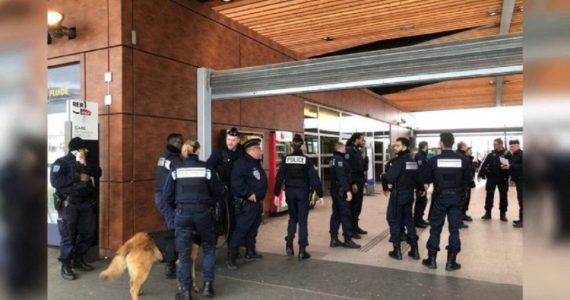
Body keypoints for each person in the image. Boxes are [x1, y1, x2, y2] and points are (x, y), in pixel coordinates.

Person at [162, 140, 224, 299]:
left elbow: (166, 196)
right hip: (203, 213)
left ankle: (186, 292)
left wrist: (177, 209)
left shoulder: (176, 169)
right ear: (197, 151)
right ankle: (208, 286)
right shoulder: (206, 168)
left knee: (184, 254)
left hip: (182, 214)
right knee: (209, 248)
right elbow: (218, 191)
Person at [50, 137, 102, 280]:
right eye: (84, 148)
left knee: (88, 234)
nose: (87, 150)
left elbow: (99, 172)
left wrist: (85, 165)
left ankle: (77, 259)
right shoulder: (61, 163)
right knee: (67, 237)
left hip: (85, 204)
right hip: (69, 205)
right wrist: (78, 177)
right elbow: (55, 182)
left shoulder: (86, 163)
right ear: (77, 150)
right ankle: (65, 265)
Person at [422, 133, 472, 271]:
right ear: (453, 143)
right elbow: (469, 180)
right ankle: (451, 262)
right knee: (454, 229)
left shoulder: (434, 160)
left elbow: (426, 178)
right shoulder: (463, 160)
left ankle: (431, 260)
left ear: (441, 144)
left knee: (435, 228)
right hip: (456, 198)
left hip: (440, 197)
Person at [273, 134, 324, 260]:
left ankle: (289, 244)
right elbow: (314, 179)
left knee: (292, 218)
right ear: (302, 145)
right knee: (302, 220)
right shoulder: (306, 160)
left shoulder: (286, 159)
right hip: (302, 192)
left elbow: (279, 177)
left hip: (290, 192)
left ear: (292, 146)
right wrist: (320, 194)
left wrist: (276, 194)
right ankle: (302, 250)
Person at [226, 139, 268, 270]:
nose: (260, 151)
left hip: (256, 203)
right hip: (246, 203)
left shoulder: (255, 163)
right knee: (241, 230)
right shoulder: (242, 163)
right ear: (252, 150)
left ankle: (250, 251)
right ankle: (231, 257)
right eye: (258, 149)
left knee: (253, 228)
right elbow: (236, 182)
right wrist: (248, 193)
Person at [382, 137, 421, 260]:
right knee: (409, 221)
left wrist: (384, 176)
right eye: (394, 145)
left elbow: (389, 178)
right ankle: (414, 250)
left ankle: (397, 250)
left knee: (394, 220)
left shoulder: (398, 161)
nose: (395, 147)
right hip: (410, 194)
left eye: (397, 145)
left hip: (398, 195)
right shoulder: (412, 161)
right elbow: (418, 178)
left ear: (405, 147)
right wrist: (421, 189)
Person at [206, 128, 244, 247]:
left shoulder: (241, 153)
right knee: (218, 218)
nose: (230, 142)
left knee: (236, 218)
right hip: (222, 191)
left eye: (233, 140)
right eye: (228, 139)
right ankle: (213, 244)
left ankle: (234, 245)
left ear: (238, 140)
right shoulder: (219, 152)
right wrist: (218, 186)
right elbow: (209, 168)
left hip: (237, 190)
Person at [154, 132, 183, 278]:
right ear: (170, 142)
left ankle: (166, 256)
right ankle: (170, 266)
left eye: (181, 142)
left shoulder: (164, 157)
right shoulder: (173, 160)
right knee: (172, 230)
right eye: (177, 142)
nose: (180, 144)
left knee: (168, 227)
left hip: (161, 196)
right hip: (167, 198)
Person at [329, 142, 361, 249]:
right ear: (341, 149)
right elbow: (341, 176)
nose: (346, 150)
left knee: (336, 214)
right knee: (345, 214)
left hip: (335, 190)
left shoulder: (333, 159)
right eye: (344, 148)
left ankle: (334, 239)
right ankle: (348, 240)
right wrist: (347, 190)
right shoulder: (339, 160)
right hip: (341, 191)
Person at [478, 138, 510, 221]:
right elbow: (484, 164)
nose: (494, 146)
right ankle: (488, 213)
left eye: (495, 144)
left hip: (503, 178)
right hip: (491, 178)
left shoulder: (507, 154)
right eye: (493, 144)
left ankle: (503, 214)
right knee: (489, 195)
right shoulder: (491, 154)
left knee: (503, 196)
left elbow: (512, 165)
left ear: (500, 144)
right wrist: (480, 174)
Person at [345, 133, 368, 237]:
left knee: (358, 205)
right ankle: (350, 230)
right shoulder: (349, 150)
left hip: (360, 181)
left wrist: (364, 180)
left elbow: (362, 168)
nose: (364, 142)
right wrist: (353, 183)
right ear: (356, 139)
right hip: (354, 182)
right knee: (353, 206)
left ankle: (355, 226)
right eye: (362, 140)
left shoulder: (358, 151)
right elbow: (349, 169)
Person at [502, 140, 523, 228]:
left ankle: (523, 221)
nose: (511, 148)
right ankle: (521, 219)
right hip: (518, 180)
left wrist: (511, 166)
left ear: (518, 146)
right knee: (520, 200)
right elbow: (511, 164)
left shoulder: (522, 154)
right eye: (510, 146)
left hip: (523, 180)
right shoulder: (514, 155)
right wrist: (506, 166)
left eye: (512, 146)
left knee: (523, 201)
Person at [413, 141, 430, 228]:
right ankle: (417, 220)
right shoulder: (419, 156)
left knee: (423, 201)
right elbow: (419, 171)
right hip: (420, 184)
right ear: (425, 146)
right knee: (420, 202)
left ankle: (420, 218)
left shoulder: (423, 156)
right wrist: (423, 184)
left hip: (423, 183)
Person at [463, 147, 476, 222]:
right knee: (465, 198)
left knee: (467, 198)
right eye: (469, 150)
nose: (471, 151)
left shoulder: (469, 159)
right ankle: (462, 214)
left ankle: (464, 213)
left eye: (471, 150)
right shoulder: (465, 159)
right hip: (465, 183)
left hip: (469, 182)